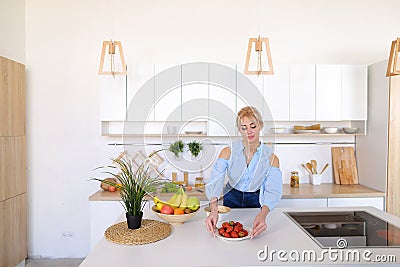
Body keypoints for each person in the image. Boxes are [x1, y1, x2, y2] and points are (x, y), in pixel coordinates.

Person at [205, 106, 282, 239]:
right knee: (229, 235)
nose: (248, 132)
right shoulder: (228, 152)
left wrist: (262, 215)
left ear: (260, 126)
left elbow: (272, 192)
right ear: (239, 130)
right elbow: (215, 182)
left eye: (253, 126)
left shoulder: (271, 158)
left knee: (253, 238)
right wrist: (214, 210)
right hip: (231, 197)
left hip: (256, 200)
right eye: (244, 127)